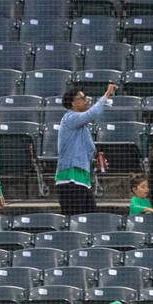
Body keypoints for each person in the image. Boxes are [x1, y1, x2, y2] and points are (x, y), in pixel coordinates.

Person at [55, 83, 118, 214]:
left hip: (81, 179)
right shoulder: (70, 118)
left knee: (90, 217)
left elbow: (87, 152)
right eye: (82, 98)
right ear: (72, 103)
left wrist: (96, 161)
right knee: (75, 219)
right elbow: (91, 113)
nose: (86, 100)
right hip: (69, 180)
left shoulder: (82, 127)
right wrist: (106, 95)